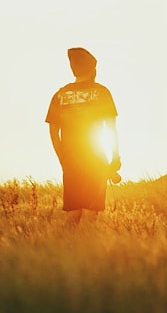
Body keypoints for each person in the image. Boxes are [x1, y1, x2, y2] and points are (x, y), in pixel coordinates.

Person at [45, 47, 121, 225]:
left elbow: (53, 132)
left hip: (70, 160)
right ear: (93, 70)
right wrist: (115, 157)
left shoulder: (60, 95)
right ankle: (86, 249)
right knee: (91, 213)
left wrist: (62, 157)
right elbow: (111, 129)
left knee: (74, 212)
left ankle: (64, 248)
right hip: (96, 158)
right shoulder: (102, 93)